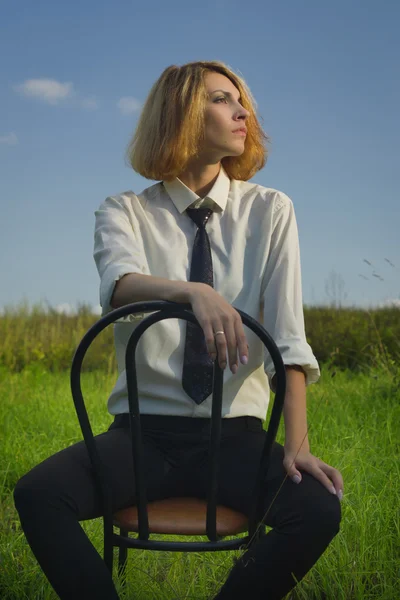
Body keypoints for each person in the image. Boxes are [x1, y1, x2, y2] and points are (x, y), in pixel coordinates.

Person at [14, 60, 343, 600]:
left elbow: (288, 339)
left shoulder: (271, 211)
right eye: (221, 99)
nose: (242, 112)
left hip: (236, 440)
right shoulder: (124, 210)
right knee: (37, 495)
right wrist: (192, 291)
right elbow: (118, 284)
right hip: (142, 437)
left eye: (244, 103)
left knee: (317, 510)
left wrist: (297, 443)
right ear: (182, 112)